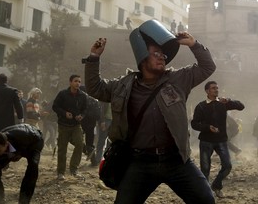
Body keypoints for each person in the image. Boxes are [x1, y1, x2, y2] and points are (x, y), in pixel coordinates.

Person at [84, 19, 216, 204]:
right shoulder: (123, 85)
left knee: (206, 200)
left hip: (177, 161)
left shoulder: (178, 79)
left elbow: (207, 67)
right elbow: (95, 88)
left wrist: (194, 45)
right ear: (142, 58)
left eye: (163, 54)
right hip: (140, 162)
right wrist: (93, 58)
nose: (162, 57)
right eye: (156, 53)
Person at [191, 81, 245, 198]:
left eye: (217, 88)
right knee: (205, 169)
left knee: (227, 165)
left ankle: (216, 185)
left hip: (221, 140)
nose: (216, 90)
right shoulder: (201, 106)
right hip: (206, 140)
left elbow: (241, 106)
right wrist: (207, 127)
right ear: (207, 91)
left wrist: (229, 100)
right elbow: (194, 124)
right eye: (213, 88)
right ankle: (206, 193)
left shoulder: (223, 103)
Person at [0, 124, 44, 204]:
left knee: (33, 167)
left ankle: (24, 201)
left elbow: (29, 144)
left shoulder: (22, 139)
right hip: (14, 146)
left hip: (34, 140)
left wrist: (18, 154)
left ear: (6, 144)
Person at [52, 74, 87, 180]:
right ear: (70, 82)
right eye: (76, 81)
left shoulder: (83, 95)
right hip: (63, 125)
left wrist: (82, 116)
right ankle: (61, 172)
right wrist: (64, 113)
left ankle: (74, 169)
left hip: (76, 125)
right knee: (62, 149)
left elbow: (85, 109)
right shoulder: (62, 94)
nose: (78, 83)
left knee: (80, 144)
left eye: (79, 82)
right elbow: (55, 106)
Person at [81, 94, 100, 166]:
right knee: (89, 144)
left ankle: (86, 150)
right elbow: (98, 116)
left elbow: (98, 115)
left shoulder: (82, 100)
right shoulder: (95, 102)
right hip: (91, 126)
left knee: (77, 140)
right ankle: (93, 161)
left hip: (84, 125)